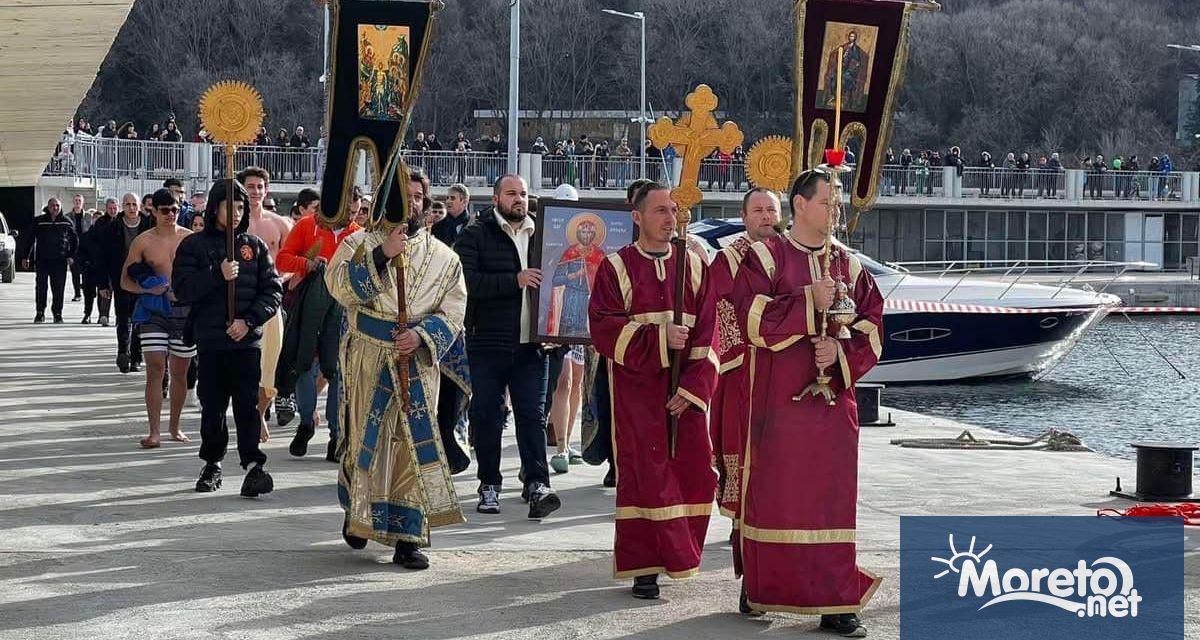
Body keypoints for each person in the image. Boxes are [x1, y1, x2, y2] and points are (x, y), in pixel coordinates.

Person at [728, 168, 884, 637]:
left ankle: (836, 600)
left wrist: (839, 352)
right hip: (778, 405)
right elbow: (749, 319)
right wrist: (807, 302)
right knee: (778, 497)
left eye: (837, 202)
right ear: (799, 204)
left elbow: (874, 326)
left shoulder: (848, 265)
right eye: (826, 201)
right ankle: (763, 583)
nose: (835, 210)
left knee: (831, 501)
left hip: (833, 409)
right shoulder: (765, 256)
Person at [326, 164, 469, 570]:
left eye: (418, 197)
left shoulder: (446, 258)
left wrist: (423, 336)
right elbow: (338, 287)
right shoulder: (358, 243)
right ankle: (359, 516)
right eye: (404, 197)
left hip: (416, 362)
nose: (412, 204)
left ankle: (408, 538)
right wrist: (382, 256)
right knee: (365, 440)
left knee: (411, 447)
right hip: (368, 357)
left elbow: (454, 308)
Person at [587, 182, 719, 600]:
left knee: (694, 473)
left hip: (685, 395)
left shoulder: (694, 265)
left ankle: (679, 556)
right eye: (660, 210)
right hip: (637, 394)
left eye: (673, 211)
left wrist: (694, 388)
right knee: (645, 477)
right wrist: (661, 338)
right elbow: (604, 328)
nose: (669, 218)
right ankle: (644, 567)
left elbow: (710, 333)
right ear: (637, 217)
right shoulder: (616, 267)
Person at [455, 174, 561, 519]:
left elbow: (563, 279)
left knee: (532, 416)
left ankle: (537, 484)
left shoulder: (544, 233)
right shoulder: (475, 233)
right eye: (511, 193)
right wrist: (514, 280)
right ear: (496, 198)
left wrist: (557, 328)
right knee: (487, 415)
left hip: (534, 346)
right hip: (488, 342)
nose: (519, 199)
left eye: (524, 194)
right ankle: (489, 484)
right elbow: (466, 283)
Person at [173, 180, 282, 497]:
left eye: (240, 207)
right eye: (229, 206)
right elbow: (182, 289)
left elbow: (272, 291)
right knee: (213, 406)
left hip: (246, 342)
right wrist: (216, 274)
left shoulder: (254, 247)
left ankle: (253, 465)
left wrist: (249, 321)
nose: (235, 213)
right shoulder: (194, 245)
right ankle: (212, 463)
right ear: (214, 208)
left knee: (247, 405)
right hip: (211, 342)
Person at [709, 188, 781, 537]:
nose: (766, 216)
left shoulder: (790, 253)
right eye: (758, 210)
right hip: (743, 367)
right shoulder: (729, 259)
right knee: (742, 441)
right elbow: (718, 305)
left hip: (784, 367)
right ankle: (741, 520)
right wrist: (738, 353)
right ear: (744, 217)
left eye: (771, 210)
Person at [275, 187, 360, 461]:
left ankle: (336, 435)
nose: (351, 216)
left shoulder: (359, 234)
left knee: (338, 370)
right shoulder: (307, 225)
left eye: (356, 211)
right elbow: (282, 259)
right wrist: (307, 264)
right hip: (309, 306)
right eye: (347, 210)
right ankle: (306, 422)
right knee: (303, 363)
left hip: (343, 310)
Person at [120, 189, 195, 448]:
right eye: (165, 210)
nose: (171, 215)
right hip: (154, 312)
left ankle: (174, 426)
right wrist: (147, 290)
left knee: (180, 372)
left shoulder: (190, 239)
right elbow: (124, 280)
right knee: (155, 369)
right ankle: (154, 432)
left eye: (175, 209)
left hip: (185, 311)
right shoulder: (143, 241)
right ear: (153, 211)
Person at [237, 167, 293, 443]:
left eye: (260, 186)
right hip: (240, 303)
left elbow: (293, 261)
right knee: (243, 364)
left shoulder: (280, 224)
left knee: (270, 363)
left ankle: (259, 414)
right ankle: (247, 414)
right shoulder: (233, 224)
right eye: (250, 186)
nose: (255, 192)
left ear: (266, 190)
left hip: (270, 303)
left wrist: (280, 279)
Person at [100, 193, 153, 371]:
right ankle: (123, 352)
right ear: (123, 206)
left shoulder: (149, 225)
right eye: (128, 204)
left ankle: (136, 357)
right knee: (123, 318)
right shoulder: (112, 227)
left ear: (140, 206)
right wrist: (103, 284)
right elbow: (103, 257)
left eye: (134, 204)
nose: (131, 208)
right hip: (121, 279)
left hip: (143, 279)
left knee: (139, 318)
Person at [23, 197, 78, 324]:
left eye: (57, 205)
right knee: (41, 287)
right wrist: (26, 257)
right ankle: (40, 312)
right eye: (53, 205)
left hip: (59, 261)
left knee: (58, 288)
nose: (55, 208)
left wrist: (71, 255)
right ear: (48, 207)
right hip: (42, 260)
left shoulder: (66, 222)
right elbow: (30, 239)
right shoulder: (39, 221)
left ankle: (57, 313)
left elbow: (75, 241)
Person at [81, 198, 119, 326]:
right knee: (105, 289)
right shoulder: (101, 222)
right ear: (106, 209)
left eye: (115, 208)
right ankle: (104, 315)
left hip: (119, 261)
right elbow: (94, 242)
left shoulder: (121, 220)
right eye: (110, 208)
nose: (113, 211)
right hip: (104, 261)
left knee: (120, 291)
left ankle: (119, 316)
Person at [65, 194, 91, 302]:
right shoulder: (67, 217)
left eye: (79, 200)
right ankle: (77, 294)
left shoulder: (88, 216)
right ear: (73, 202)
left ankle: (85, 289)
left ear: (83, 202)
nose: (77, 202)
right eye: (76, 200)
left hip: (85, 248)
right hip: (73, 248)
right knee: (75, 272)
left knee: (86, 272)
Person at [431, 183, 470, 247]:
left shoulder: (474, 226)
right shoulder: (437, 228)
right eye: (447, 198)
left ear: (464, 202)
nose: (448, 201)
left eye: (452, 198)